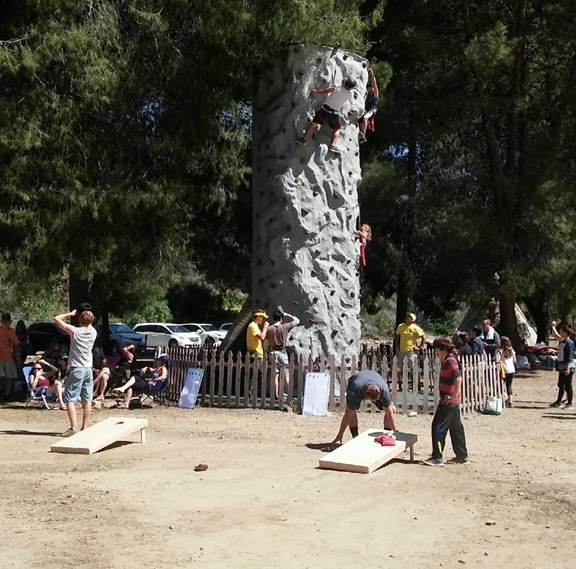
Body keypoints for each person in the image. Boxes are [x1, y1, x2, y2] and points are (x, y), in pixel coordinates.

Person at [424, 336, 469, 466]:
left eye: (437, 349)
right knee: (456, 428)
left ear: (443, 348)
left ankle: (437, 457)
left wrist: (454, 395)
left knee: (438, 427)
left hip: (448, 402)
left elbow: (458, 378)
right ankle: (462, 455)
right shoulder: (448, 359)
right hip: (451, 402)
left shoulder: (450, 361)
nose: (436, 352)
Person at [54, 303, 98, 436]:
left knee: (70, 399)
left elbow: (56, 319)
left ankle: (73, 427)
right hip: (88, 368)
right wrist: (86, 315)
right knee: (87, 399)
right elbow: (89, 323)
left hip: (76, 368)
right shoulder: (94, 332)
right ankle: (85, 426)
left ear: (79, 320)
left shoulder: (75, 331)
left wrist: (71, 314)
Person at [330, 370, 398, 445]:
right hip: (355, 381)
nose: (374, 402)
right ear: (366, 395)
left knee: (392, 409)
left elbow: (389, 413)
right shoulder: (356, 391)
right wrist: (340, 434)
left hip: (374, 378)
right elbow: (347, 416)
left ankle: (387, 436)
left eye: (376, 400)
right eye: (373, 400)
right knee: (352, 412)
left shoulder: (384, 390)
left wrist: (397, 433)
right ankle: (355, 438)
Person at [296, 74, 357, 152]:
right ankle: (333, 145)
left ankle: (304, 139)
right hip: (334, 114)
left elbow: (325, 91)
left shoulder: (337, 87)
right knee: (337, 129)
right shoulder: (349, 94)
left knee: (314, 124)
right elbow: (345, 87)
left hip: (324, 110)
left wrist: (316, 92)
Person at [266, 308, 300, 399]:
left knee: (275, 375)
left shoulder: (269, 329)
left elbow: (266, 340)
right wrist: (288, 315)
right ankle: (289, 394)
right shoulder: (285, 326)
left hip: (273, 352)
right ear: (281, 318)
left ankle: (275, 395)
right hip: (282, 352)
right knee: (286, 374)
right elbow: (297, 321)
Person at [549, 321, 574, 410]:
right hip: (562, 366)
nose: (559, 333)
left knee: (568, 385)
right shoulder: (563, 341)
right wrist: (553, 326)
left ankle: (570, 404)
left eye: (561, 331)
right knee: (561, 384)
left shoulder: (569, 343)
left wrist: (568, 368)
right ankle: (558, 401)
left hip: (568, 366)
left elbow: (570, 356)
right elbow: (554, 335)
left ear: (565, 332)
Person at [0, 312, 20, 401]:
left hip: (8, 357)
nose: (5, 323)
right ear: (1, 321)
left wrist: (17, 355)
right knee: (1, 377)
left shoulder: (11, 332)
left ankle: (7, 394)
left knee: (8, 377)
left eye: (7, 321)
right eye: (4, 321)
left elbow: (16, 344)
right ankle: (1, 391)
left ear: (10, 322)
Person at [358, 68, 379, 143]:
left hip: (372, 109)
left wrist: (372, 74)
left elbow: (374, 83)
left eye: (370, 87)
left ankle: (363, 134)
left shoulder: (375, 93)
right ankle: (361, 134)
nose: (371, 88)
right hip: (366, 109)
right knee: (360, 119)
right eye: (369, 87)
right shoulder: (366, 94)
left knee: (365, 117)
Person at [499, 336, 516, 408]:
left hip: (504, 370)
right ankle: (510, 401)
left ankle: (505, 398)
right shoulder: (512, 350)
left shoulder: (500, 351)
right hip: (511, 370)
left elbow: (498, 360)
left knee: (500, 385)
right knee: (509, 385)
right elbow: (514, 360)